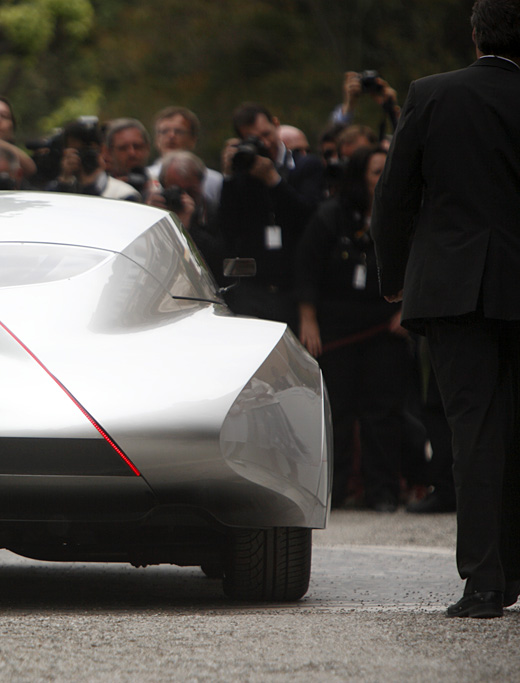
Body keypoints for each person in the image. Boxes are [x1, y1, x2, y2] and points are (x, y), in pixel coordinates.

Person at [371, 0, 520, 618]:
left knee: (475, 434)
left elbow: (395, 194)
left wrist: (393, 276)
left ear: (476, 34)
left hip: (456, 289)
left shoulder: (431, 95)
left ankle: (486, 581)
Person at [296, 146, 411, 512]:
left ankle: (383, 491)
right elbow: (306, 270)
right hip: (337, 328)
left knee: (383, 412)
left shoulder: (403, 217)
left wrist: (408, 309)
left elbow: (419, 265)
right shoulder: (331, 216)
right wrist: (308, 321)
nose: (382, 180)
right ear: (360, 176)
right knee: (338, 411)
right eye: (377, 173)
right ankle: (335, 489)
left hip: (384, 327)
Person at [216, 102, 326, 330]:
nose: (264, 143)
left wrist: (273, 181)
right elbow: (227, 227)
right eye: (253, 138)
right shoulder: (242, 174)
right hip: (255, 286)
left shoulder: (306, 166)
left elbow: (308, 216)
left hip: (295, 282)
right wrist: (228, 177)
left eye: (266, 134)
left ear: (276, 125)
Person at [146, 151, 222, 278]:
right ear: (163, 186)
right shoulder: (153, 209)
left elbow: (217, 261)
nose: (183, 197)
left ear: (201, 184)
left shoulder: (214, 213)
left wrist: (187, 229)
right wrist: (149, 217)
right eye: (176, 190)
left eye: (190, 191)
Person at [147, 106, 223, 212]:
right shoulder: (146, 176)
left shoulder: (214, 180)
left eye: (179, 131)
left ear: (193, 139)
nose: (171, 136)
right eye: (164, 131)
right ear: (156, 139)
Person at [45, 117, 141, 201]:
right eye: (77, 151)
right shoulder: (59, 191)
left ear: (102, 150)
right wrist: (64, 181)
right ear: (65, 153)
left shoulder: (123, 194)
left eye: (88, 150)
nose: (85, 156)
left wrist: (90, 183)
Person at [102, 118, 152, 196]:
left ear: (147, 148)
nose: (132, 153)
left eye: (137, 146)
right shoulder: (102, 192)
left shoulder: (160, 185)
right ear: (109, 152)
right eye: (123, 148)